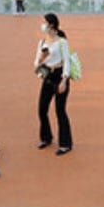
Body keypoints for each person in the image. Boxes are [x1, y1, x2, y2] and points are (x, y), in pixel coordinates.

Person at [35, 13, 73, 155]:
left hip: (60, 75)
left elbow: (67, 62)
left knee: (60, 110)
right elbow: (36, 63)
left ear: (51, 24)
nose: (42, 25)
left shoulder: (62, 42)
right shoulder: (42, 42)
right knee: (42, 109)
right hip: (47, 76)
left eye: (44, 22)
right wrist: (41, 58)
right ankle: (46, 137)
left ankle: (65, 144)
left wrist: (64, 80)